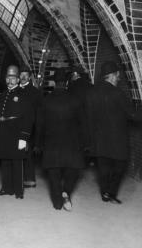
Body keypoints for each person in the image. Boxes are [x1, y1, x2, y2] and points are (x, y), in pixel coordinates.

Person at [86, 61, 142, 204]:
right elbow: (133, 115)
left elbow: (88, 117)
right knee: (120, 166)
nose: (119, 78)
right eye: (117, 75)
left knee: (103, 168)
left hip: (99, 139)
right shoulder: (118, 94)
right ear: (111, 76)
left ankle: (105, 192)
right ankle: (111, 192)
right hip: (118, 140)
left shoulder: (92, 93)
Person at [35, 68, 87, 211]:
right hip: (72, 144)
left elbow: (39, 125)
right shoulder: (76, 100)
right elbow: (83, 124)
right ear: (67, 82)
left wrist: (37, 144)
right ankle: (66, 192)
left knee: (53, 173)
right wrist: (85, 144)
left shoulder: (46, 101)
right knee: (72, 171)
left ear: (53, 82)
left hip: (52, 144)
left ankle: (57, 202)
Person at [0, 65, 35, 200]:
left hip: (17, 134)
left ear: (17, 80)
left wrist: (24, 137)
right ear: (5, 79)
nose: (10, 81)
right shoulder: (4, 94)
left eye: (13, 78)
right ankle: (6, 188)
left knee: (17, 163)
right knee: (4, 162)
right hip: (3, 134)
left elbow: (29, 118)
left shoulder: (23, 95)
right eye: (8, 78)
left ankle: (18, 191)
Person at [19, 68, 42, 188]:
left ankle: (29, 179)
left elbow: (38, 112)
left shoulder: (35, 92)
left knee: (27, 153)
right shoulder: (14, 90)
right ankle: (18, 178)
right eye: (21, 74)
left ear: (29, 77)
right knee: (17, 152)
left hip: (30, 126)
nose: (23, 77)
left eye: (25, 75)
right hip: (16, 126)